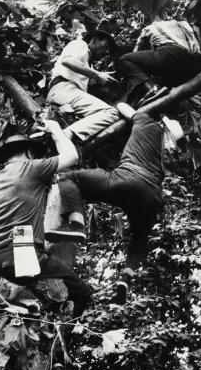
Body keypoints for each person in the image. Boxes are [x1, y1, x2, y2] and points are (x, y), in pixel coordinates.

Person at [45, 102, 184, 304]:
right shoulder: (167, 155)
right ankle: (126, 277)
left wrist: (133, 111)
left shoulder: (148, 123)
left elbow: (122, 106)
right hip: (152, 196)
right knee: (139, 240)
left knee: (67, 178)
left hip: (126, 179)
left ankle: (76, 222)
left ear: (163, 126)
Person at [0, 120, 91, 317]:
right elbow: (72, 156)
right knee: (82, 291)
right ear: (29, 153)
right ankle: (75, 326)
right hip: (18, 260)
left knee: (14, 307)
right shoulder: (30, 168)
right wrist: (55, 129)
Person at [47, 30, 120, 143]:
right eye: (106, 46)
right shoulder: (81, 44)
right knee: (111, 113)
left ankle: (70, 138)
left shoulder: (86, 63)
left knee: (99, 116)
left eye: (108, 50)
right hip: (64, 89)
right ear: (94, 40)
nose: (106, 52)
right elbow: (67, 60)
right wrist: (98, 75)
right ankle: (66, 135)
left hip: (65, 94)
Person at [118, 18, 201, 107]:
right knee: (164, 87)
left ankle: (152, 89)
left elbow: (136, 52)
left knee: (125, 59)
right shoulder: (185, 24)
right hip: (197, 64)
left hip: (171, 54)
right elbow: (200, 43)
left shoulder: (149, 28)